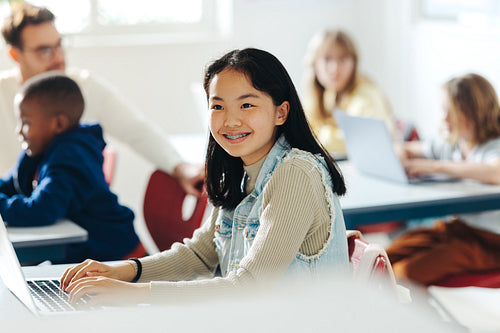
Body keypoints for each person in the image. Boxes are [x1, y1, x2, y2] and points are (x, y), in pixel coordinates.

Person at [59, 48, 349, 306]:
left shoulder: (295, 173)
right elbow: (200, 254)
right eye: (218, 106)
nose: (230, 120)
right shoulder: (237, 170)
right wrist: (120, 271)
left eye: (247, 105)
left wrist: (132, 293)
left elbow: (250, 287)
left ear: (281, 112)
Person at [0, 2, 203, 196]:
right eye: (44, 50)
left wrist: (179, 166)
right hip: (12, 214)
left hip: (69, 218)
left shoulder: (84, 87)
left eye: (59, 45)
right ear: (15, 54)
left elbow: (136, 130)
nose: (58, 58)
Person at [0, 73, 146, 263]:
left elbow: (42, 210)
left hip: (119, 262)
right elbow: (11, 183)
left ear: (59, 124)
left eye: (26, 123)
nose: (18, 131)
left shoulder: (71, 157)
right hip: (86, 261)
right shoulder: (38, 150)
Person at [387, 73, 500, 285]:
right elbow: (405, 149)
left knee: (403, 274)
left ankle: (412, 316)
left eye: (452, 113)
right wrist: (401, 152)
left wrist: (435, 166)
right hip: (458, 230)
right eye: (443, 111)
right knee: (382, 259)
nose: (444, 119)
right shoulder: (453, 144)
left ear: (474, 113)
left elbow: (495, 173)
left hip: (490, 243)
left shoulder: (493, 146)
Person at [303, 29, 394, 155]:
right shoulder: (327, 95)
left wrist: (323, 135)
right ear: (314, 64)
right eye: (327, 59)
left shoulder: (366, 95)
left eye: (343, 59)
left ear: (354, 63)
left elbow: (371, 140)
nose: (335, 67)